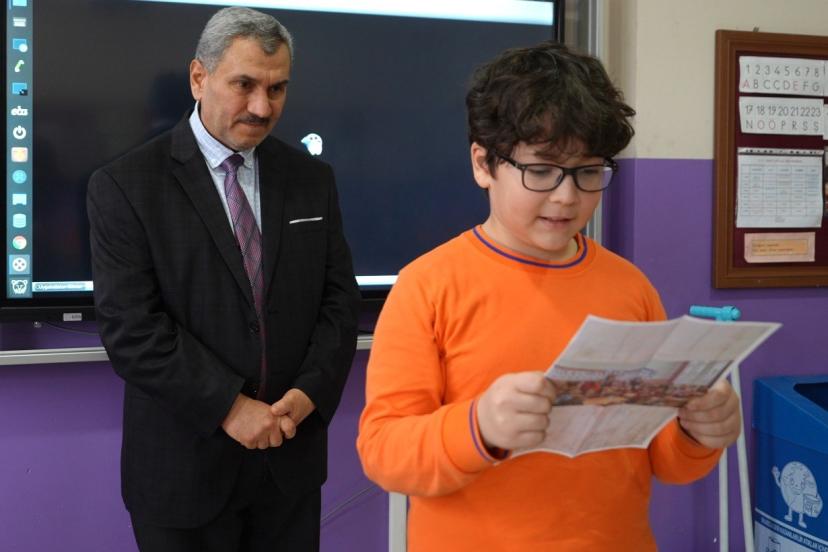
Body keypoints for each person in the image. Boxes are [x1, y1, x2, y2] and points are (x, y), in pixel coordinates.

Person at [357, 41, 741, 551]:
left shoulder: (630, 287)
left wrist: (697, 432)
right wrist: (478, 426)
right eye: (541, 171)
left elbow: (661, 460)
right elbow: (385, 452)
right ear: (483, 164)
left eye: (588, 172)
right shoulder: (426, 286)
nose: (566, 196)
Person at [87, 7, 360, 551]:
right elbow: (132, 329)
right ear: (199, 77)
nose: (262, 107)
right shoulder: (125, 185)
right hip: (184, 473)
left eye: (277, 89)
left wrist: (309, 392)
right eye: (245, 85)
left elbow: (338, 301)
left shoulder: (312, 179)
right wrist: (231, 408)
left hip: (289, 464)